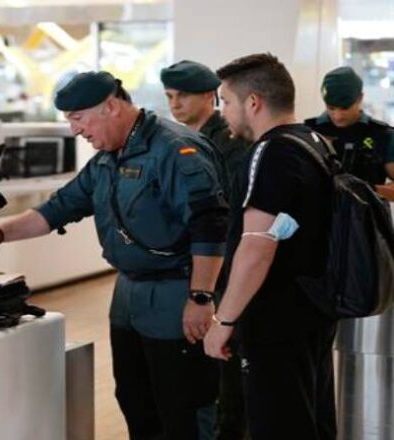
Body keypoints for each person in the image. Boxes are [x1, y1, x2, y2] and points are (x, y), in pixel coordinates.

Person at [0, 71, 229, 439]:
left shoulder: (175, 149)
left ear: (111, 107)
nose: (74, 130)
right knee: (136, 400)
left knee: (183, 407)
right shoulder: (106, 159)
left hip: (176, 294)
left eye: (78, 118)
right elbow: (56, 209)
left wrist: (201, 296)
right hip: (128, 297)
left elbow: (210, 226)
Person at [204, 53, 336, 440]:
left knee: (278, 424)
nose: (223, 111)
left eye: (225, 101)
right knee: (310, 418)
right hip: (312, 311)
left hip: (275, 320)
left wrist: (223, 321)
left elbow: (257, 247)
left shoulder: (271, 151)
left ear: (254, 102)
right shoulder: (314, 141)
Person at [161, 59, 249, 440]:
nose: (175, 104)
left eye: (183, 95)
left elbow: (226, 215)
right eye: (169, 96)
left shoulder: (231, 144)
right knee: (193, 378)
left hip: (225, 275)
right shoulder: (176, 142)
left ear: (210, 97)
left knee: (226, 379)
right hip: (189, 272)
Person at [304, 66, 394, 185]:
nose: (338, 116)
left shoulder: (382, 135)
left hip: (366, 203)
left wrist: (366, 191)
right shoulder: (309, 132)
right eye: (331, 108)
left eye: (345, 108)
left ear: (360, 98)